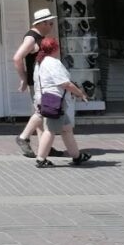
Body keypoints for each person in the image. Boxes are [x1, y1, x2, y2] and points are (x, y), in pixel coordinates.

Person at [32, 36, 91, 167]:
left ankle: (77, 156)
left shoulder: (41, 62)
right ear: (55, 48)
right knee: (50, 130)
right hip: (55, 100)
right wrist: (80, 93)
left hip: (51, 99)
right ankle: (41, 159)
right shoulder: (53, 63)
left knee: (66, 129)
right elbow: (64, 83)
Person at [14, 8, 58, 158]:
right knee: (41, 112)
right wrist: (24, 78)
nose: (52, 26)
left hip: (39, 80)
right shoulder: (32, 38)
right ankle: (23, 137)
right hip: (38, 82)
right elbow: (17, 57)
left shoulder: (37, 36)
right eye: (50, 23)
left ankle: (44, 147)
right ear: (42, 23)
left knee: (41, 114)